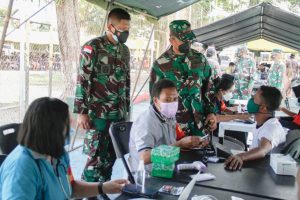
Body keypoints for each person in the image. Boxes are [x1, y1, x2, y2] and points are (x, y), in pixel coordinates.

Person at [0, 97, 129, 199]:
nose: (72, 125)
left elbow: (70, 187)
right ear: (51, 129)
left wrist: (105, 187)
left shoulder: (58, 154)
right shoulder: (21, 168)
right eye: (67, 122)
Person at [73, 8, 131, 194]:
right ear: (110, 27)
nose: (125, 32)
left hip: (118, 114)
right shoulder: (93, 47)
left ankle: (102, 192)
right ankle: (86, 194)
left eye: (128, 28)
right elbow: (83, 80)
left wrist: (126, 110)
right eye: (122, 28)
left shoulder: (124, 50)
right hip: (97, 114)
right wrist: (81, 112)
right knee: (95, 159)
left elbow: (126, 81)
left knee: (111, 157)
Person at [150, 20, 217, 137]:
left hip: (200, 124)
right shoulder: (160, 64)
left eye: (190, 39)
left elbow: (209, 88)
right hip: (174, 127)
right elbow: (154, 98)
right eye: (184, 40)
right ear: (172, 40)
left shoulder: (200, 59)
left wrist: (211, 112)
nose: (188, 42)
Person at [129, 79, 207, 171]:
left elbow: (172, 143)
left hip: (166, 168)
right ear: (155, 100)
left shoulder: (168, 116)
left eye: (175, 99)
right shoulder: (146, 122)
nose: (172, 103)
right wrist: (179, 145)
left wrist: (193, 143)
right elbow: (144, 158)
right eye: (167, 100)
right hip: (147, 175)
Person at [225, 86, 286, 171]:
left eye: (254, 98)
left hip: (263, 175)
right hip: (256, 169)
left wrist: (241, 156)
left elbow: (262, 150)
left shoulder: (272, 127)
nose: (251, 100)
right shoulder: (261, 123)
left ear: (263, 108)